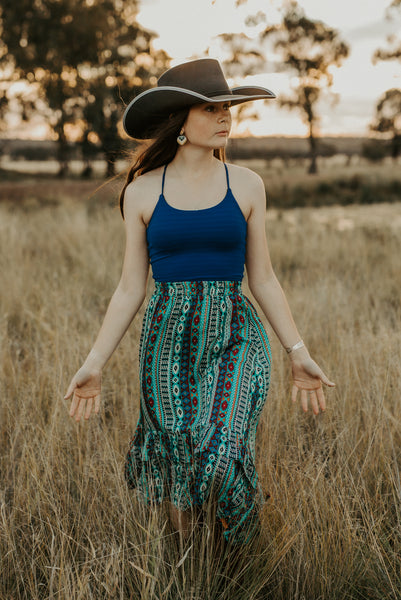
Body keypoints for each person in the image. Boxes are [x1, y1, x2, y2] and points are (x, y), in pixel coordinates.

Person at [64, 58, 335, 545]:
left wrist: (298, 353)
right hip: (167, 342)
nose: (226, 116)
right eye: (212, 108)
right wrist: (94, 363)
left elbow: (265, 278)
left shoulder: (248, 185)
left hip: (235, 334)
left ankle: (237, 557)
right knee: (181, 462)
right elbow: (130, 287)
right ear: (180, 121)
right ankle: (194, 568)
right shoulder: (142, 192)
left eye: (229, 107)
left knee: (223, 445)